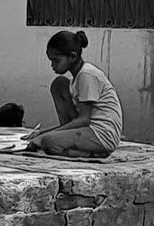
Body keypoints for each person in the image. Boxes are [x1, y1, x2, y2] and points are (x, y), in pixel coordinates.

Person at [25, 30, 123, 158]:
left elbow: (84, 120)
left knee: (48, 142)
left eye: (56, 61)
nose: (52, 65)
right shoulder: (75, 79)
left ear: (72, 56)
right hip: (86, 129)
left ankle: (94, 153)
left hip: (100, 134)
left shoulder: (87, 74)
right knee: (59, 84)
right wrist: (41, 132)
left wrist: (44, 137)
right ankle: (68, 143)